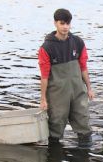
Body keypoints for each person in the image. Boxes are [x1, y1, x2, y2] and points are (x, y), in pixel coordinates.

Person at [38, 8, 94, 147]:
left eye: (68, 24)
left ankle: (84, 156)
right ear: (55, 23)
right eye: (62, 23)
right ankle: (54, 159)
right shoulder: (46, 47)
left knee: (83, 122)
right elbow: (44, 75)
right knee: (56, 125)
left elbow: (83, 67)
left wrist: (89, 88)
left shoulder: (78, 42)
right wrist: (43, 99)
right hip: (57, 94)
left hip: (77, 91)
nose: (65, 27)